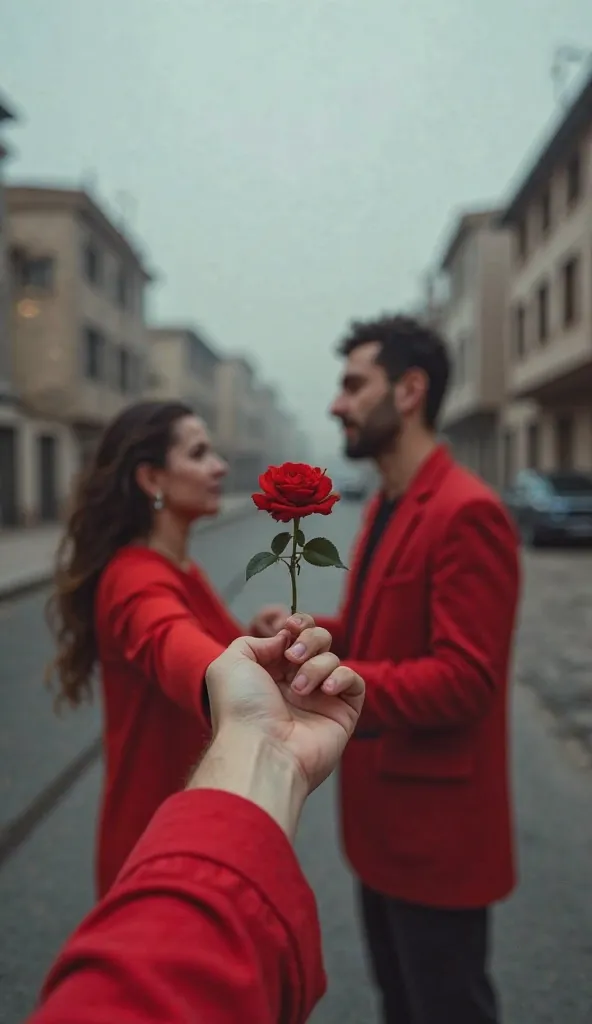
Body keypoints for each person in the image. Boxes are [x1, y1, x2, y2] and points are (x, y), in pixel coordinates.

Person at [253, 315, 521, 1024]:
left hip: (438, 839)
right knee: (400, 1006)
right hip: (381, 828)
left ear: (408, 391)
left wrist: (338, 682)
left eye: (352, 385)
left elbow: (468, 678)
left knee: (447, 1010)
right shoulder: (388, 503)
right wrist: (314, 632)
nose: (336, 403)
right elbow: (380, 628)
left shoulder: (468, 512)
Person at [47, 400, 333, 897]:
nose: (220, 466)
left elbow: (194, 635)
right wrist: (228, 672)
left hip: (199, 823)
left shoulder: (181, 568)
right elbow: (169, 641)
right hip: (157, 846)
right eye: (199, 453)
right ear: (153, 479)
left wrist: (254, 634)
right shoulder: (134, 578)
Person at [29, 629, 365, 1024]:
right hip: (164, 809)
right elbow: (164, 634)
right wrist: (218, 671)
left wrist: (260, 736)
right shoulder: (136, 572)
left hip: (188, 818)